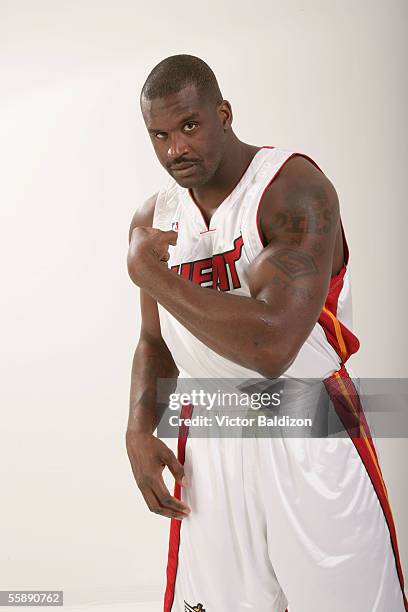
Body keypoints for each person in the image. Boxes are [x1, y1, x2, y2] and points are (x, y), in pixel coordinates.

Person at [126, 54, 407, 612]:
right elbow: (155, 340)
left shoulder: (291, 189)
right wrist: (137, 427)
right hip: (209, 435)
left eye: (189, 126)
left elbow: (273, 347)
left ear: (223, 113)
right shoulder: (157, 216)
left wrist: (151, 273)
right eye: (159, 135)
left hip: (306, 425)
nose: (175, 149)